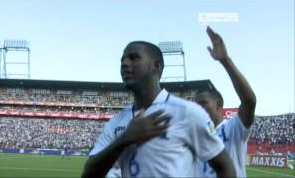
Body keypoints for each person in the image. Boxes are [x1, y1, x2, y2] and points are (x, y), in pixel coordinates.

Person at [82, 41, 236, 177]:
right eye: (122, 59)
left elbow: (225, 167)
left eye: (134, 57)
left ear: (157, 66)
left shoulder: (188, 113)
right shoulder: (116, 122)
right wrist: (125, 139)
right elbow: (88, 174)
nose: (124, 63)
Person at [195, 26, 257, 177]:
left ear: (219, 105)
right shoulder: (198, 137)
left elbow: (249, 101)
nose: (198, 108)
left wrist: (225, 60)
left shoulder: (233, 127)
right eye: (195, 105)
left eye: (203, 103)